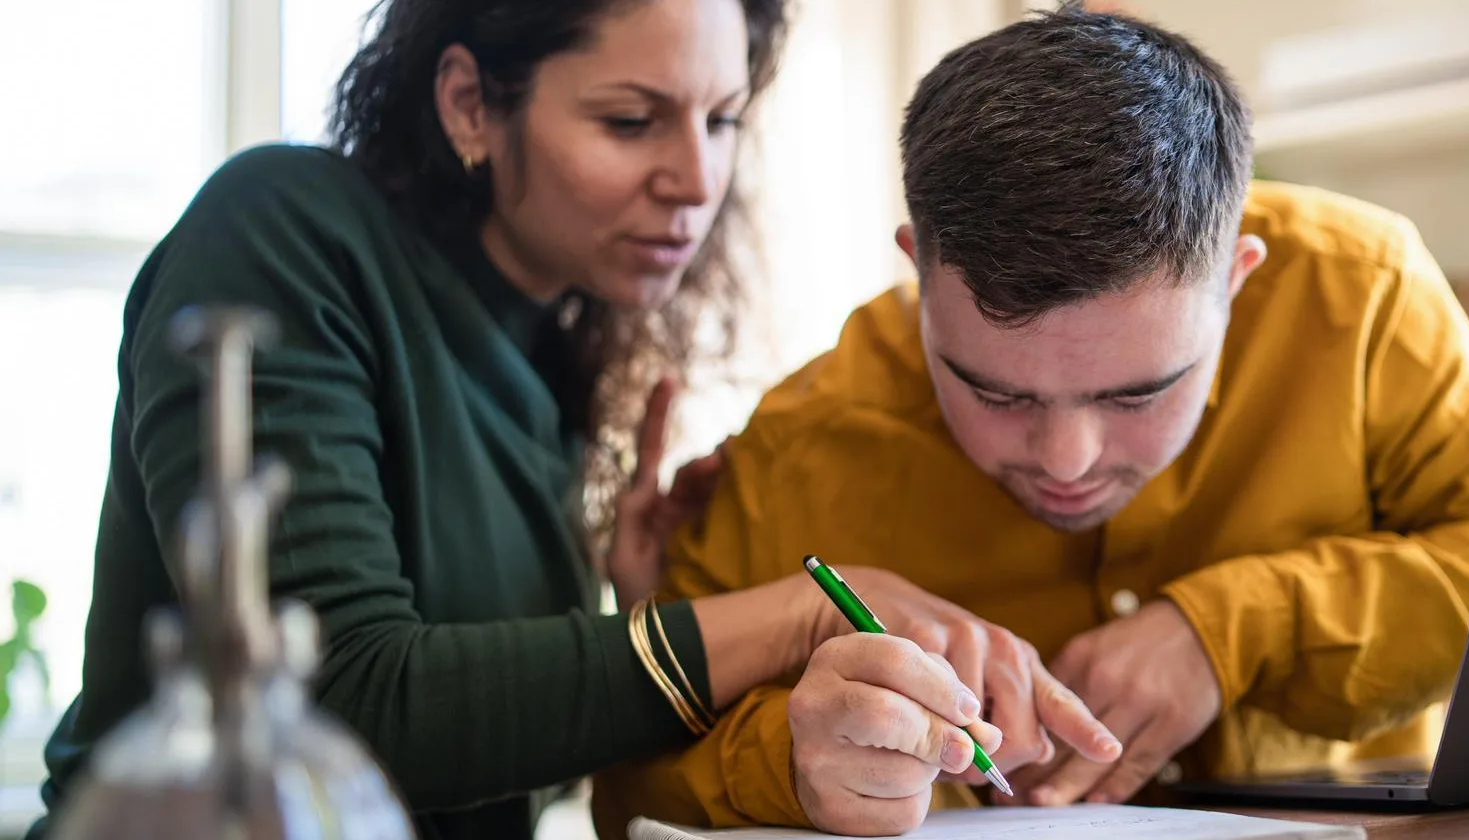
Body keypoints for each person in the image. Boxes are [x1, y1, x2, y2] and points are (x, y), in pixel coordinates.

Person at [27, 2, 1115, 839]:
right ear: (468, 105)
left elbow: (503, 757)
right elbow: (346, 707)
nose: (696, 178)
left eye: (724, 120)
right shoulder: (284, 230)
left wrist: (629, 593)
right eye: (630, 120)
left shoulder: (563, 355)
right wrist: (785, 618)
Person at [589, 4, 1469, 837]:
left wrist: (1234, 629)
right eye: (996, 393)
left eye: (1137, 394)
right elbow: (630, 788)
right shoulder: (800, 446)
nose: (1067, 461)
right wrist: (792, 768)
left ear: (1237, 279)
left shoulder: (1360, 295)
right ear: (920, 268)